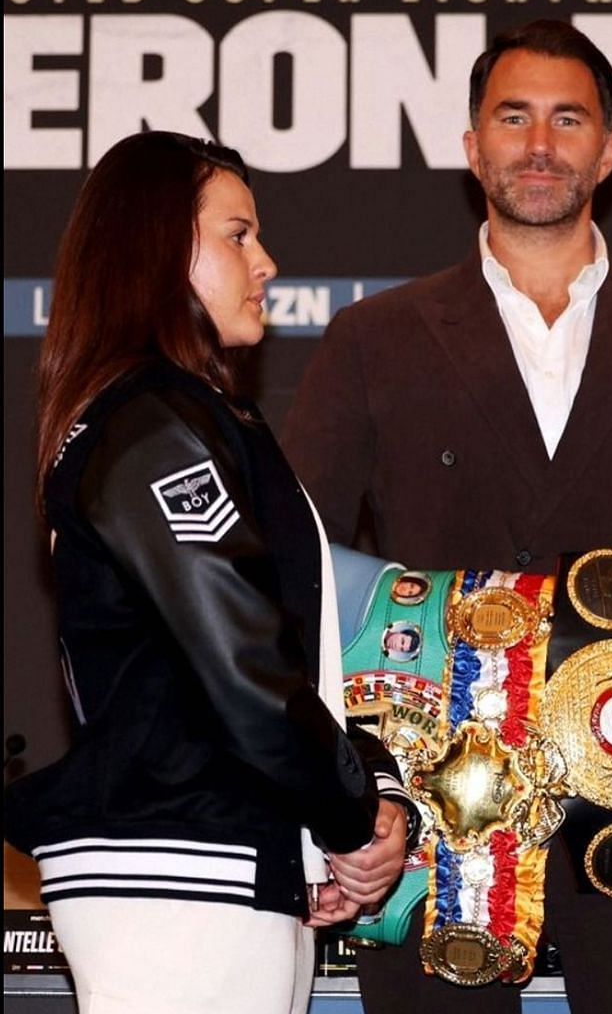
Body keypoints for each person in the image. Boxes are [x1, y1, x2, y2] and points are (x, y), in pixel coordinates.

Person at [280, 21, 612, 1014]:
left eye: (569, 120)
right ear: (471, 145)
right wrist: (363, 789)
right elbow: (306, 576)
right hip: (438, 821)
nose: (538, 144)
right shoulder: (371, 340)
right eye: (511, 117)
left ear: (609, 150)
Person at [3, 131, 411, 1014]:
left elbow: (279, 668)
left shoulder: (177, 419)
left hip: (221, 869)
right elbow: (242, 668)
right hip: (180, 885)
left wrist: (340, 816)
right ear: (159, 247)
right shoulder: (151, 426)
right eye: (237, 234)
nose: (265, 261)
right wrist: (347, 822)